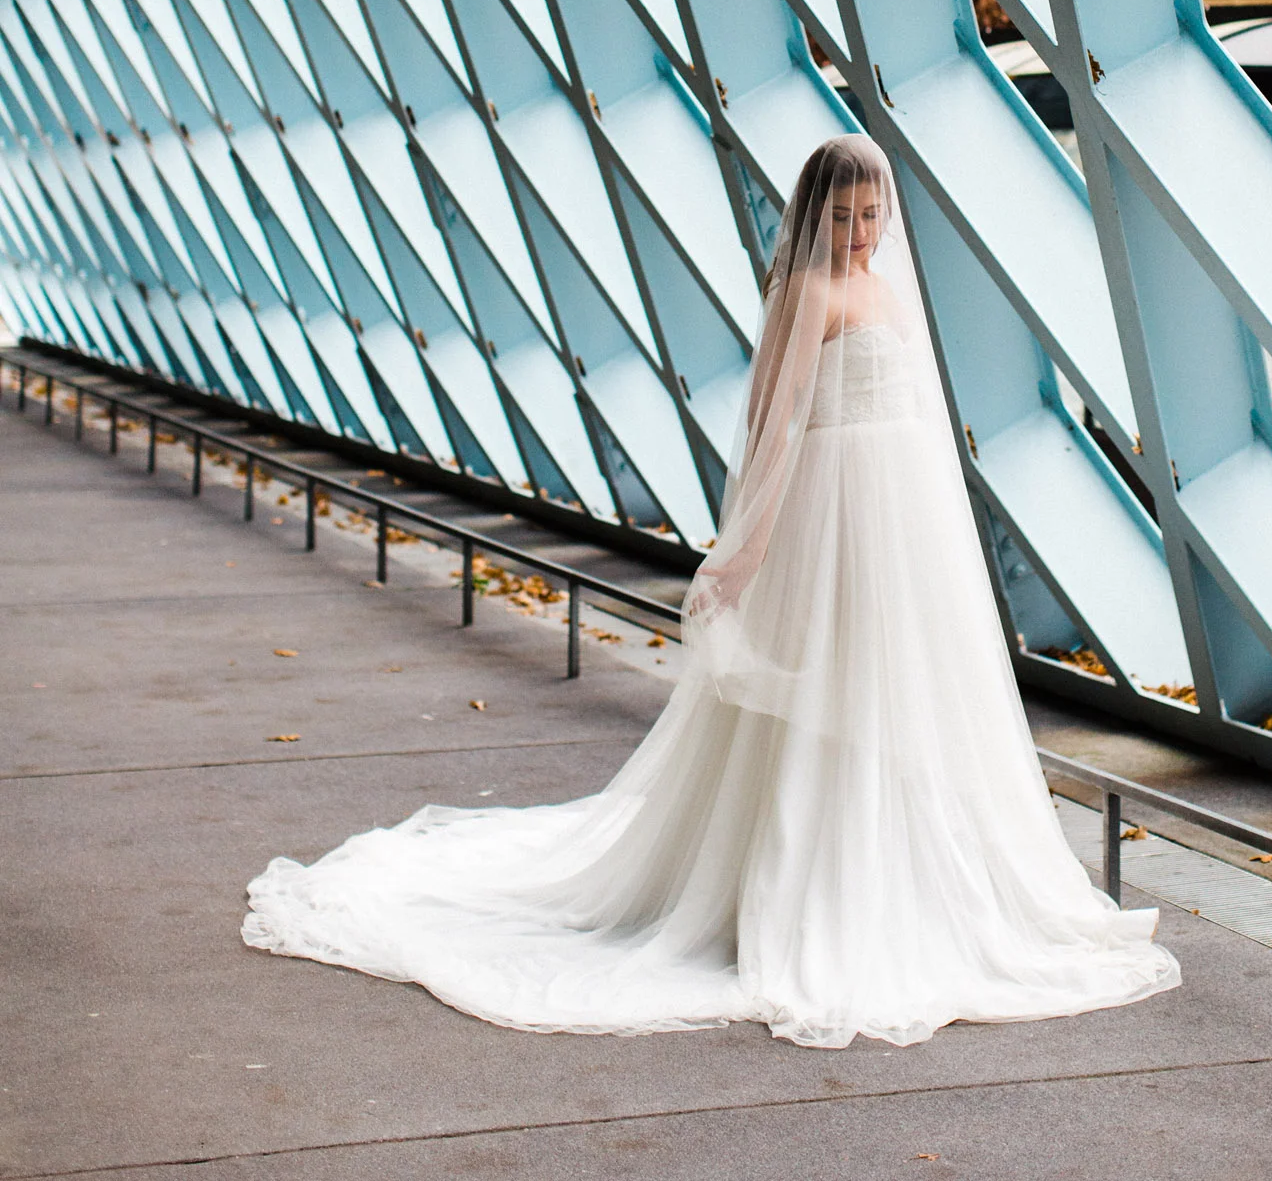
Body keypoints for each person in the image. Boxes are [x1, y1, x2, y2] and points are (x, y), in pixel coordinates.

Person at [244, 133, 1179, 1046]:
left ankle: (918, 876)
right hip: (832, 512)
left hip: (905, 519)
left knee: (907, 688)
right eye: (846, 216)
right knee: (825, 681)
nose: (860, 231)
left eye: (873, 214)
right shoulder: (804, 292)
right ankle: (808, 884)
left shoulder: (887, 288)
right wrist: (741, 554)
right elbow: (774, 427)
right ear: (815, 215)